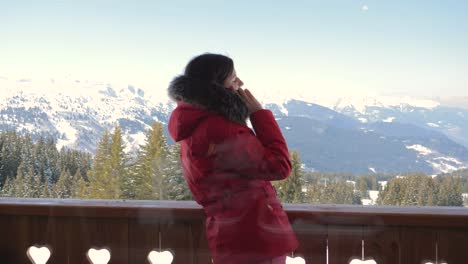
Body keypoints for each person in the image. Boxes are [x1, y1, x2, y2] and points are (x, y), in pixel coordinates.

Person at [168, 53, 299, 264]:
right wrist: (259, 114)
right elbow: (279, 166)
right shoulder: (222, 129)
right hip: (256, 238)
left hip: (230, 236)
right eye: (233, 78)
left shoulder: (195, 124)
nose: (241, 83)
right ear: (217, 86)